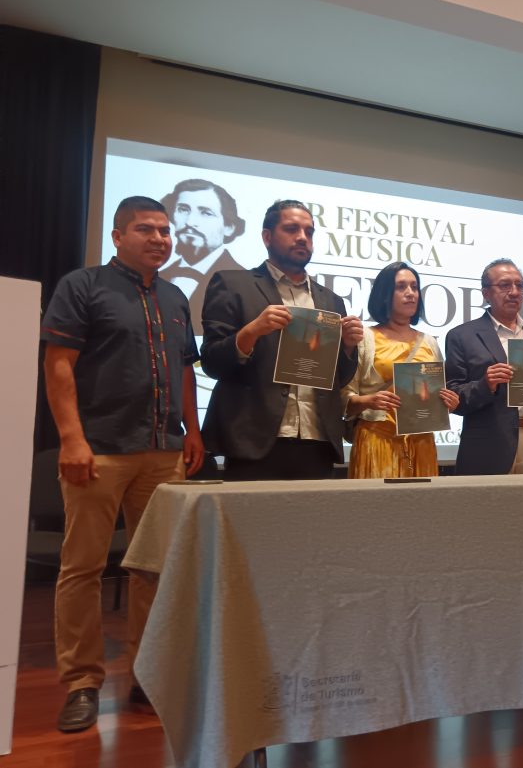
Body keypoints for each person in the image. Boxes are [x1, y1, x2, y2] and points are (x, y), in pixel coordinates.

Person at [41, 196, 204, 732]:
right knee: (82, 568)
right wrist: (71, 440)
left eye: (164, 231)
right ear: (117, 236)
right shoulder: (82, 286)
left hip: (163, 452)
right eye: (145, 229)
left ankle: (145, 676)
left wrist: (192, 430)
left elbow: (185, 371)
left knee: (153, 570)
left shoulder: (175, 296)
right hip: (99, 450)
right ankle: (82, 683)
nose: (159, 239)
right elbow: (59, 365)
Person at [200, 200, 363, 480]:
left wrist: (347, 347)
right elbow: (212, 362)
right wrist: (251, 331)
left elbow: (338, 378)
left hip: (317, 439)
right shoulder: (232, 284)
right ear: (267, 237)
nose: (302, 237)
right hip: (254, 441)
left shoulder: (331, 300)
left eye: (309, 232)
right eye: (291, 229)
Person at [445, 259, 523, 474]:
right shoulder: (462, 336)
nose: (514, 292)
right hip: (488, 447)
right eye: (504, 285)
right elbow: (453, 397)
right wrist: (486, 385)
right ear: (486, 293)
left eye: (519, 285)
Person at [341, 262, 459, 478]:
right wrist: (369, 400)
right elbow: (343, 398)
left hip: (422, 442)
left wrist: (448, 403)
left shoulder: (430, 342)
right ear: (385, 294)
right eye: (401, 287)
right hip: (377, 440)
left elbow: (436, 398)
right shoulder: (365, 338)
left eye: (414, 287)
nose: (410, 293)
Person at [159, 178, 246, 334]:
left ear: (229, 227)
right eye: (183, 210)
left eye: (206, 213)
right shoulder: (157, 277)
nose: (190, 222)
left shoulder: (244, 283)